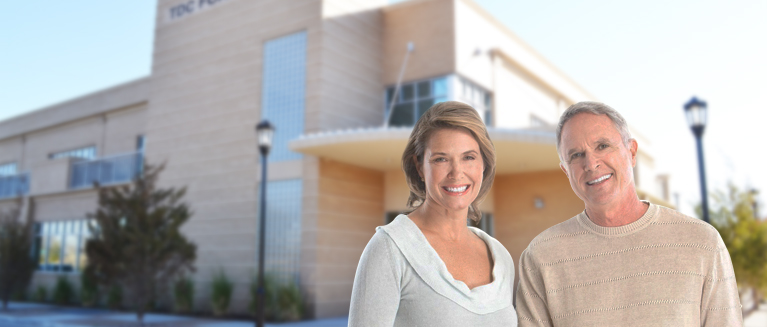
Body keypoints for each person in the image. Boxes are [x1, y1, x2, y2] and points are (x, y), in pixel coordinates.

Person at [515, 101, 742, 326]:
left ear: (631, 152)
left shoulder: (701, 243)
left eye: (602, 146)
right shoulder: (541, 257)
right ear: (566, 170)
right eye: (576, 155)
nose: (591, 164)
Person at [348, 101, 518, 326]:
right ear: (419, 166)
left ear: (484, 164)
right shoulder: (390, 250)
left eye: (468, 157)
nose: (457, 173)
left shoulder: (500, 257)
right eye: (441, 159)